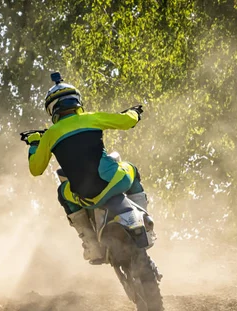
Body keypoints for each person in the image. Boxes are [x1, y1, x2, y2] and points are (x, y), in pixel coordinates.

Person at [26, 73, 149, 264]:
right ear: (77, 101)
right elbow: (128, 121)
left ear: (52, 109)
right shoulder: (92, 118)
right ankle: (143, 218)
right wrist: (134, 112)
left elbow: (36, 169)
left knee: (62, 192)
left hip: (87, 197)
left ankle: (92, 244)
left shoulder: (50, 135)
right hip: (117, 181)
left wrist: (34, 142)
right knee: (131, 169)